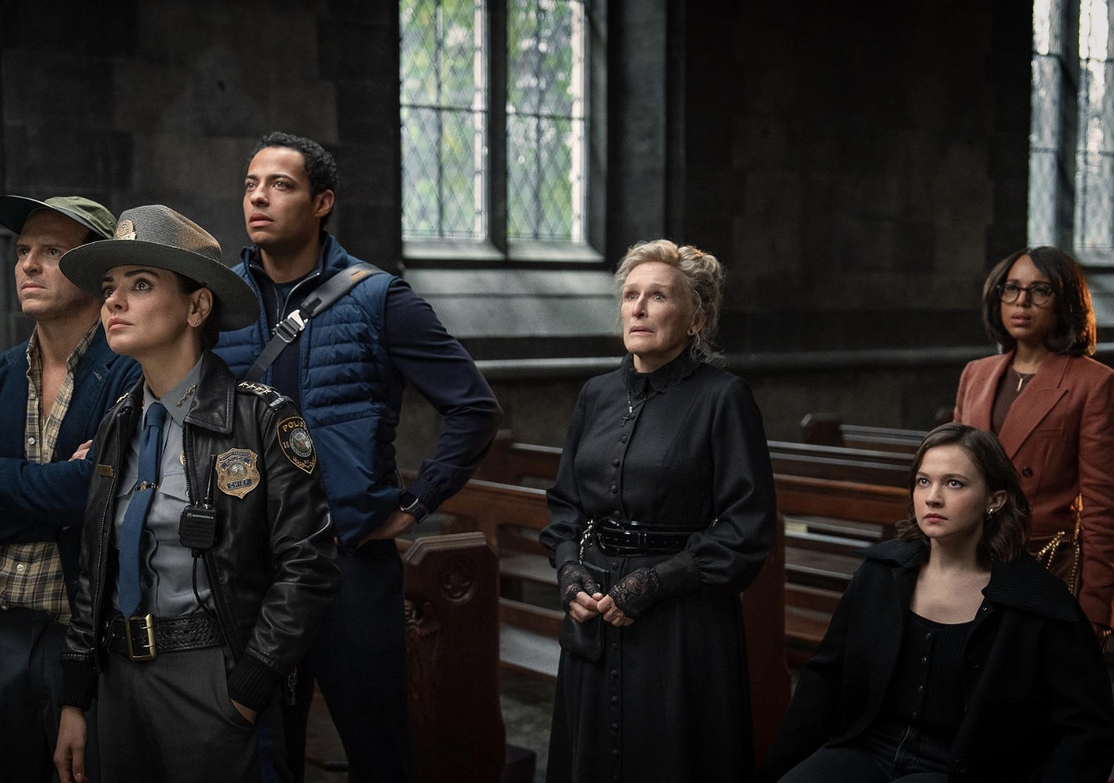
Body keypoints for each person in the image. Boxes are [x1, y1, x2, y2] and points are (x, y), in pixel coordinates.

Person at [214, 131, 502, 782]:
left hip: (346, 564)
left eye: (280, 185)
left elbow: (474, 408)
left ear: (322, 202)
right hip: (246, 563)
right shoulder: (218, 303)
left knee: (378, 753)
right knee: (260, 757)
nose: (258, 197)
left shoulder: (378, 298)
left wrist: (415, 504)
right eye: (251, 185)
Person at [51, 205, 340, 783]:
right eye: (109, 288)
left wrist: (249, 686)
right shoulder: (117, 424)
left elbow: (308, 566)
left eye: (140, 284)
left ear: (197, 306)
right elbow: (93, 566)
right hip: (119, 679)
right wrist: (75, 698)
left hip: (212, 676)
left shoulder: (261, 420)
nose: (113, 302)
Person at [0, 195, 138, 782]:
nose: (28, 265)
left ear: (96, 272)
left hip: (92, 639)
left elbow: (107, 496)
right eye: (22, 251)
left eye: (52, 252)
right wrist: (63, 497)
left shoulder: (131, 369)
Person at [538, 239, 777, 782]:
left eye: (658, 297)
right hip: (595, 612)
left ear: (697, 319)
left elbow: (747, 527)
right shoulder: (596, 394)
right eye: (630, 296)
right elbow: (566, 503)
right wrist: (570, 572)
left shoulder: (724, 397)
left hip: (682, 623)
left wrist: (655, 583)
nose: (639, 309)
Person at [761, 423, 1114, 782]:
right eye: (923, 481)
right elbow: (823, 682)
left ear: (995, 500)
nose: (933, 498)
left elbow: (1088, 728)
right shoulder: (881, 575)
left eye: (954, 483)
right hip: (869, 751)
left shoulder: (1036, 601)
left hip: (959, 770)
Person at [953, 246, 1114, 647]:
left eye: (1040, 290)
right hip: (968, 560)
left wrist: (1096, 607)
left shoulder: (1093, 382)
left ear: (1066, 302)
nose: (1022, 302)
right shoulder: (976, 374)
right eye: (1012, 288)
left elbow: (1102, 506)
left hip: (1043, 567)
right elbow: (951, 473)